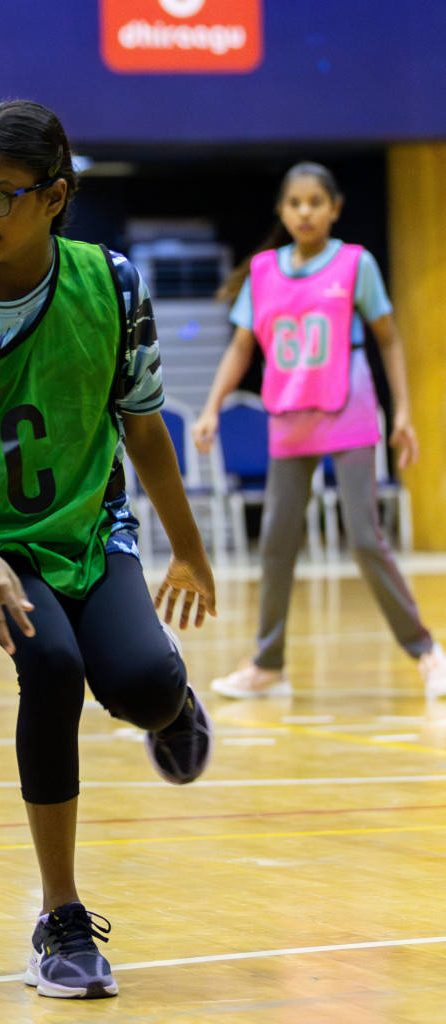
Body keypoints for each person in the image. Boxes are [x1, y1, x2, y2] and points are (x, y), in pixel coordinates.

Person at [0, 100, 215, 1000]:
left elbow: (142, 430)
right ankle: (60, 917)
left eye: (0, 195)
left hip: (90, 527)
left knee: (144, 685)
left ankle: (172, 702)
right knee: (54, 670)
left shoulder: (108, 284)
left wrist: (185, 551)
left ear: (55, 196)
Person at [191, 163, 446, 702]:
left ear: (335, 208)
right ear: (282, 212)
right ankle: (267, 664)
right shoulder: (262, 271)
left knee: (363, 537)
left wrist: (401, 411)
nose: (305, 211)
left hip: (349, 409)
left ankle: (425, 651)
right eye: (295, 203)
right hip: (289, 415)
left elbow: (390, 340)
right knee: (278, 543)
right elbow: (241, 347)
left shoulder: (356, 264)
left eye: (315, 202)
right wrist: (212, 407)